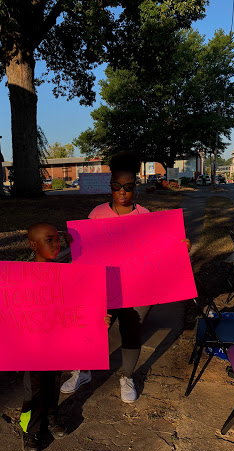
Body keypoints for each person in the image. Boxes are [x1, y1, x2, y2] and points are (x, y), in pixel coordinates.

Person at [60, 151, 191, 403]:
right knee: (92, 328)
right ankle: (82, 371)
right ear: (110, 187)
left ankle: (127, 375)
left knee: (132, 331)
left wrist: (178, 246)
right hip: (103, 286)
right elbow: (85, 248)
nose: (122, 191)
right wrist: (74, 241)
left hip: (137, 288)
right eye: (117, 186)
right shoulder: (96, 213)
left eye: (128, 187)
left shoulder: (144, 215)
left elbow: (157, 249)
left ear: (136, 188)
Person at [21, 222, 111, 451]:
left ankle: (51, 416)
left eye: (57, 239)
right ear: (33, 245)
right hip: (32, 345)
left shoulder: (65, 273)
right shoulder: (19, 276)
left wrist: (98, 319)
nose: (55, 244)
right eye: (48, 240)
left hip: (56, 342)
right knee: (34, 389)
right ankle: (30, 429)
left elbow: (79, 304)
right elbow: (3, 309)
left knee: (53, 382)